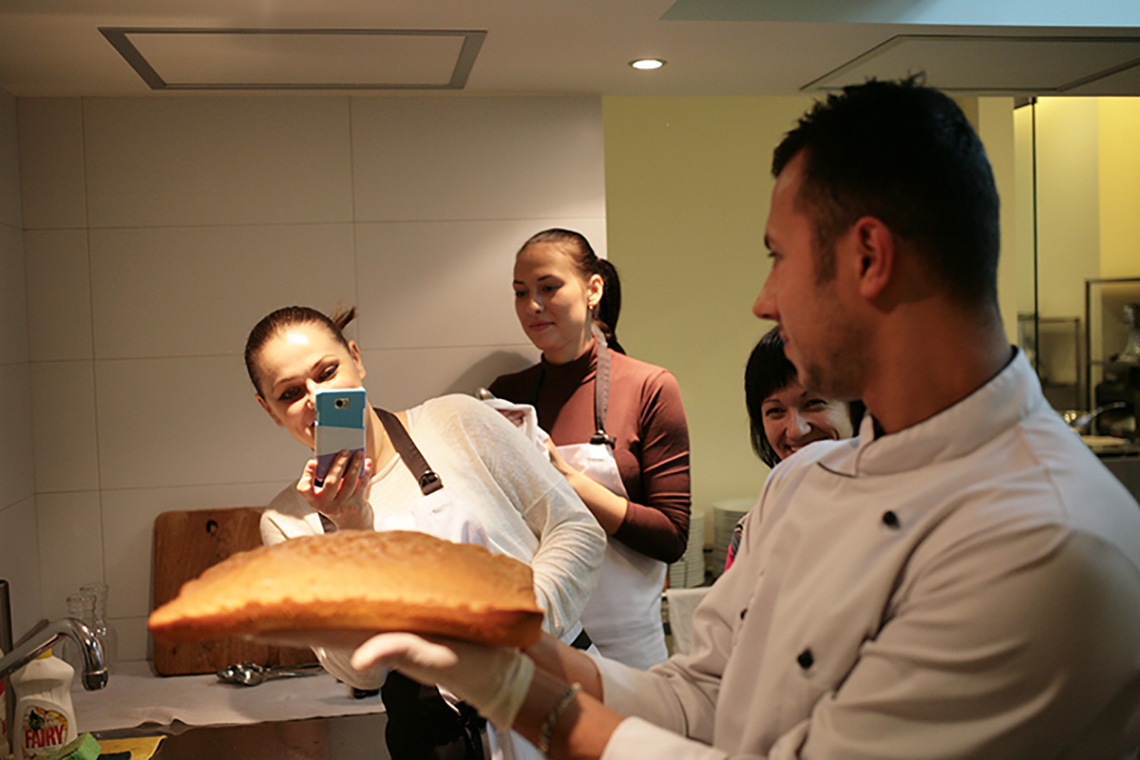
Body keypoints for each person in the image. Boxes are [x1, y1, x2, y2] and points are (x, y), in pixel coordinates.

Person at [349, 78, 1140, 759]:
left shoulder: (1046, 545)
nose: (763, 301)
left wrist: (521, 694)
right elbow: (702, 697)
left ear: (869, 257)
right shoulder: (803, 483)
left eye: (776, 256)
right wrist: (520, 647)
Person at [244, 305, 606, 760]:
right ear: (271, 411)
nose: (315, 399)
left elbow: (577, 528)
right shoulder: (288, 522)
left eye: (327, 371)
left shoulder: (456, 422)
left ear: (357, 358)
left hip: (556, 692)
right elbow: (359, 673)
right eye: (290, 393)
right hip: (437, 739)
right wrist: (352, 529)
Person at [487, 228, 691, 669]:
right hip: (542, 651)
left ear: (593, 288)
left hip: (632, 656)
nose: (532, 306)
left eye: (548, 287)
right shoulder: (505, 398)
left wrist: (565, 480)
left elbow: (672, 537)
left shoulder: (649, 387)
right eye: (521, 293)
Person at [724, 326, 864, 570]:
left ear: (855, 408)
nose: (796, 430)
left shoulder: (892, 515)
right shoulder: (753, 531)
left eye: (813, 403)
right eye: (775, 411)